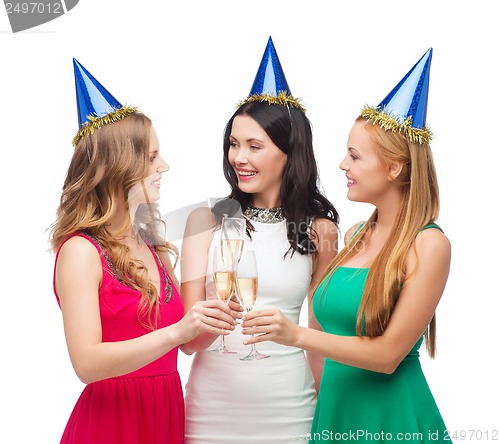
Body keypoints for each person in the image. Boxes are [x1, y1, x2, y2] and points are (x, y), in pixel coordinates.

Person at [242, 48, 454, 443]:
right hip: (336, 414)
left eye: (355, 156)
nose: (342, 165)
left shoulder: (429, 245)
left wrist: (295, 336)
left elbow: (388, 357)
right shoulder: (355, 235)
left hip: (393, 421)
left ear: (395, 167)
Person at [49, 59, 239, 444]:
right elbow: (86, 364)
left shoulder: (151, 242)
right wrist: (178, 332)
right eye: (152, 157)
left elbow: (185, 344)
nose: (164, 166)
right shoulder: (81, 252)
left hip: (164, 415)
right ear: (118, 165)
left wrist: (212, 315)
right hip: (110, 424)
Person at [180, 37, 340, 443]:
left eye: (254, 146)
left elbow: (319, 336)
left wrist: (329, 408)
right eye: (234, 144)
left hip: (291, 407)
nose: (238, 158)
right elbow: (190, 343)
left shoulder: (320, 229)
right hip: (211, 410)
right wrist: (214, 317)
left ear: (290, 152)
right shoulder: (205, 221)